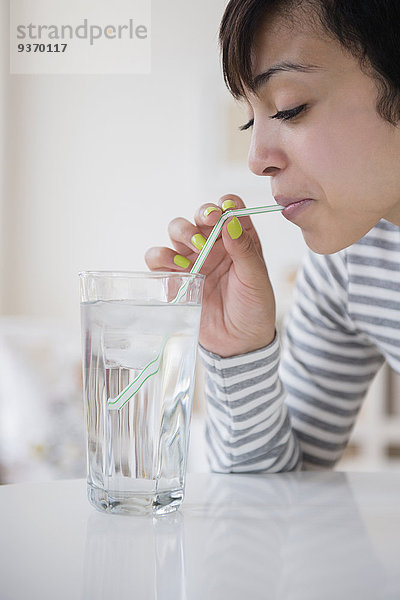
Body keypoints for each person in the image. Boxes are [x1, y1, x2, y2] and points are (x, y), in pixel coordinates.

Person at [145, 0, 400, 472]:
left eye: (289, 108)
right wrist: (238, 348)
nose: (256, 158)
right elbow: (276, 497)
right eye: (250, 120)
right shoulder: (350, 264)